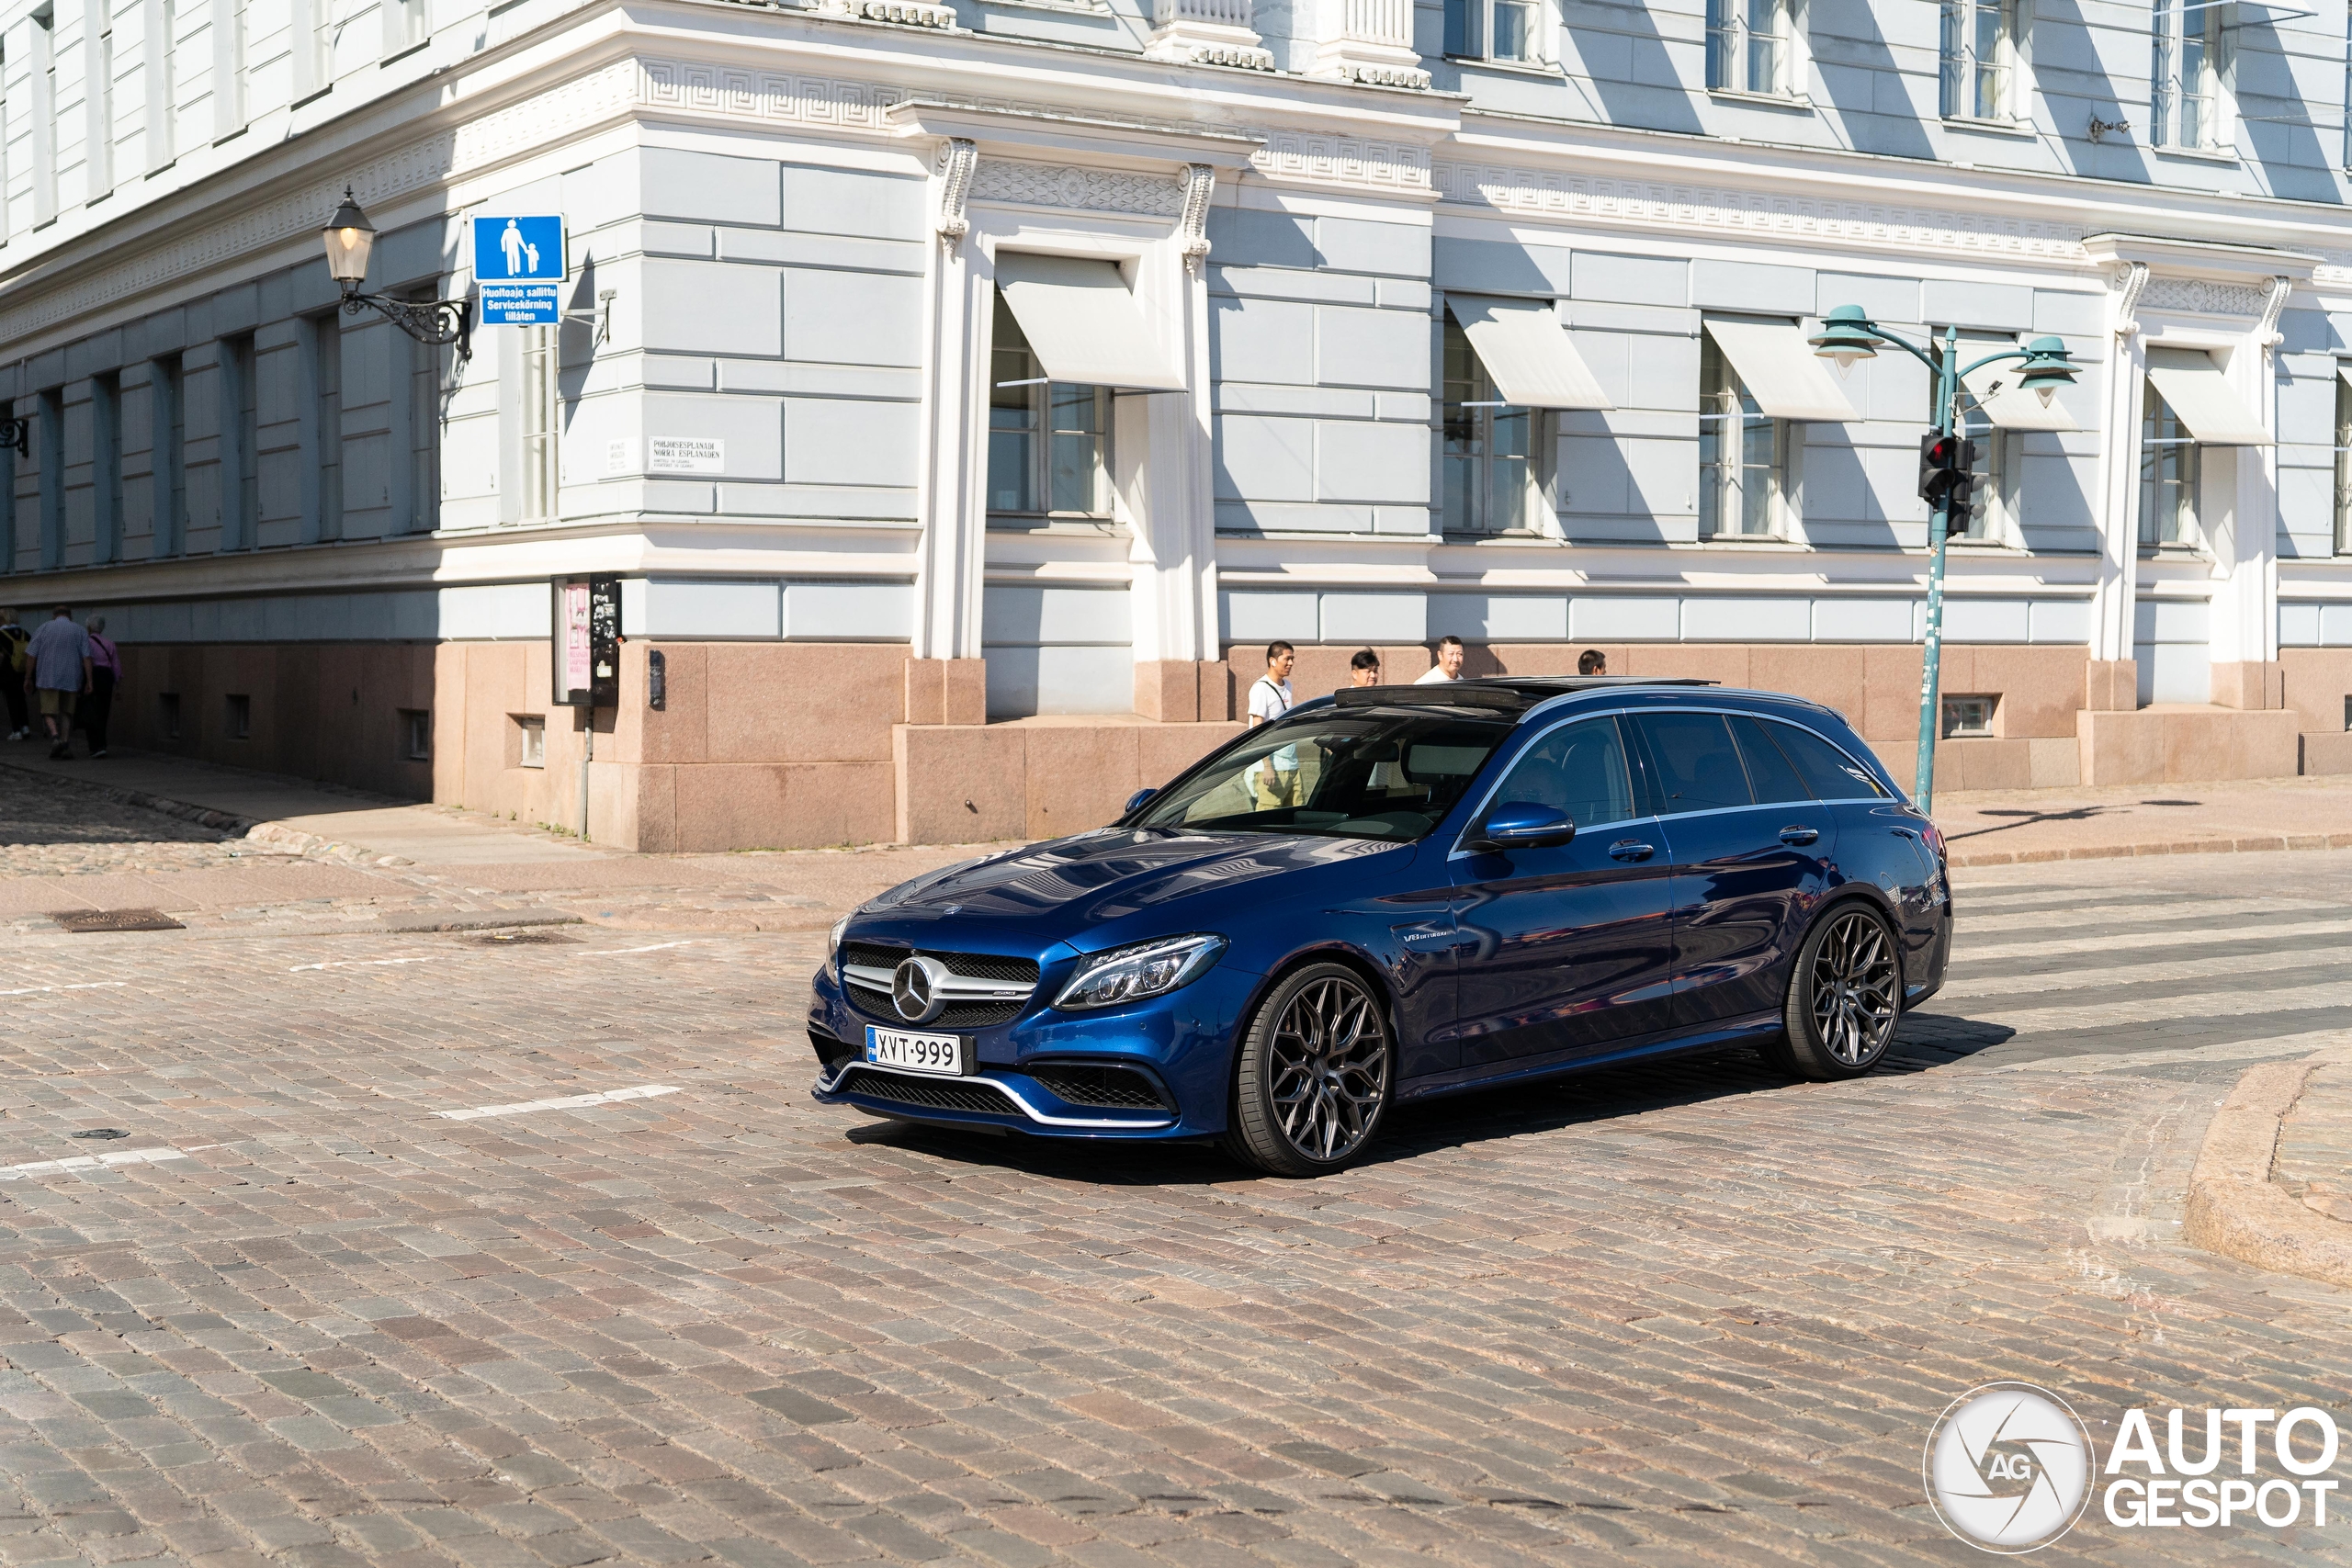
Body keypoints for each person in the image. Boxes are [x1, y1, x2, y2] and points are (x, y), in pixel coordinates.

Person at [24, 605, 91, 761]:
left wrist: (28, 677)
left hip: (48, 677)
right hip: (72, 677)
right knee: (67, 712)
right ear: (70, 616)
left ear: (54, 615)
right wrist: (90, 680)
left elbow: (31, 655)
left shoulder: (43, 628)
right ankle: (65, 744)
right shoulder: (79, 630)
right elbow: (87, 657)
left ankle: (55, 737)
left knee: (48, 711)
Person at [1247, 641, 1297, 808]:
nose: (1291, 663)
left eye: (1292, 659)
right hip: (1270, 768)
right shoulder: (1261, 689)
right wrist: (1267, 766)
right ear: (1273, 661)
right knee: (1268, 818)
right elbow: (1257, 729)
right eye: (1287, 658)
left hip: (1291, 765)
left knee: (1295, 814)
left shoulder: (1288, 686)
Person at [81, 615, 120, 758]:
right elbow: (116, 665)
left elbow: (85, 660)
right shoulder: (110, 643)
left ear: (89, 627)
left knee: (90, 711)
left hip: (92, 675)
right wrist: (117, 686)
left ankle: (95, 746)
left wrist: (87, 681)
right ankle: (102, 744)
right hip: (106, 677)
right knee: (103, 712)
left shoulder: (86, 642)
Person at [0, 610, 29, 741]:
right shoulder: (24, 634)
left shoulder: (1, 634)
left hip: (7, 672)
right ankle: (25, 726)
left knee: (10, 701)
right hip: (23, 671)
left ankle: (16, 730)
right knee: (21, 699)